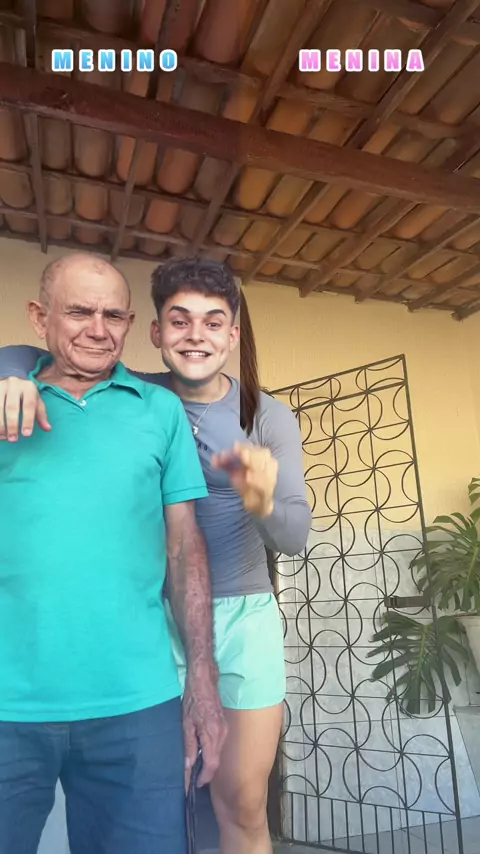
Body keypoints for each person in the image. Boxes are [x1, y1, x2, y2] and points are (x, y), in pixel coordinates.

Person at [0, 255, 311, 854]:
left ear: (234, 334)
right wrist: (9, 370)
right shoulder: (140, 392)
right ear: (154, 332)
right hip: (162, 618)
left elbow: (293, 537)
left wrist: (261, 499)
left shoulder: (264, 415)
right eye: (179, 320)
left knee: (242, 802)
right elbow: (33, 351)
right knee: (174, 800)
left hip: (241, 612)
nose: (196, 336)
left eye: (213, 323)